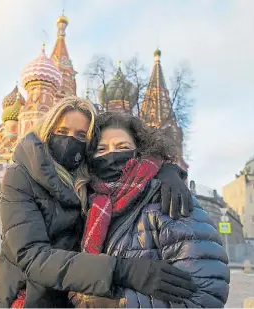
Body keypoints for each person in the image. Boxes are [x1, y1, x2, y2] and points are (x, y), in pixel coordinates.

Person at [0, 97, 196, 308]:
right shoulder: (20, 176)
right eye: (62, 132)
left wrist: (166, 171)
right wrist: (122, 271)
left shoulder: (88, 179)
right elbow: (32, 257)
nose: (70, 141)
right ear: (47, 131)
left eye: (81, 135)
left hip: (71, 298)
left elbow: (130, 170)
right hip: (28, 298)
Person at [69, 112, 229, 308]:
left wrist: (115, 304)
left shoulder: (168, 198)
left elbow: (205, 296)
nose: (111, 155)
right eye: (101, 149)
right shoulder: (88, 205)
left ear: (140, 151)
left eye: (123, 147)